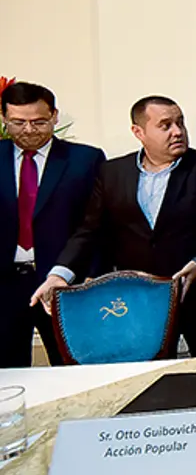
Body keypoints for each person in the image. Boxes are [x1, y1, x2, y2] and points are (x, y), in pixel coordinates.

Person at [30, 96, 196, 356]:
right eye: (165, 125)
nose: (177, 131)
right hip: (139, 300)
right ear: (138, 132)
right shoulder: (113, 173)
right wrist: (59, 275)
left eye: (180, 123)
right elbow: (89, 231)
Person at [1, 82, 104, 367]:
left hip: (64, 282)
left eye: (39, 122)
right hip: (5, 284)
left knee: (72, 366)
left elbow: (95, 224)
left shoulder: (85, 159)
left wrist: (92, 275)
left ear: (55, 116)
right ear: (4, 119)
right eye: (18, 122)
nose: (29, 130)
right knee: (8, 374)